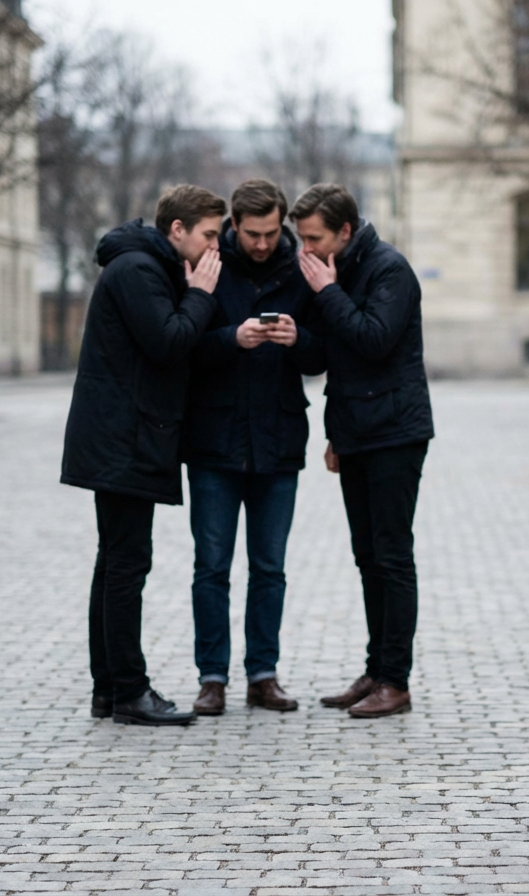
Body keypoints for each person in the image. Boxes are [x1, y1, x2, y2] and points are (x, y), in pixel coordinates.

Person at [61, 184, 224, 727]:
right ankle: (129, 691)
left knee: (115, 564)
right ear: (177, 230)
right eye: (208, 234)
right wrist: (199, 295)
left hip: (122, 435)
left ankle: (109, 689)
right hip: (124, 438)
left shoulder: (142, 266)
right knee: (126, 565)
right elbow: (168, 341)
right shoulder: (138, 271)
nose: (214, 247)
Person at [182, 179, 326, 716]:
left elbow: (321, 355)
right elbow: (184, 345)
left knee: (270, 568)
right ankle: (212, 677)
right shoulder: (208, 264)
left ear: (282, 224)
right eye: (251, 234)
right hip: (214, 443)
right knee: (211, 567)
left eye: (270, 233)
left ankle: (262, 675)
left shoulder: (301, 270)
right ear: (233, 226)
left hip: (279, 441)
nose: (262, 244)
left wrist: (299, 341)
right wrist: (230, 338)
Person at [293, 184, 434, 719]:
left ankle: (395, 681)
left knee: (393, 557)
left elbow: (374, 340)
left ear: (344, 232)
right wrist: (294, 337)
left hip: (397, 433)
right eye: (301, 239)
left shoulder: (388, 269)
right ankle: (375, 670)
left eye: (313, 238)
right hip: (356, 433)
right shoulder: (336, 269)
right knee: (367, 557)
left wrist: (327, 292)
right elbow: (333, 357)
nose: (305, 249)